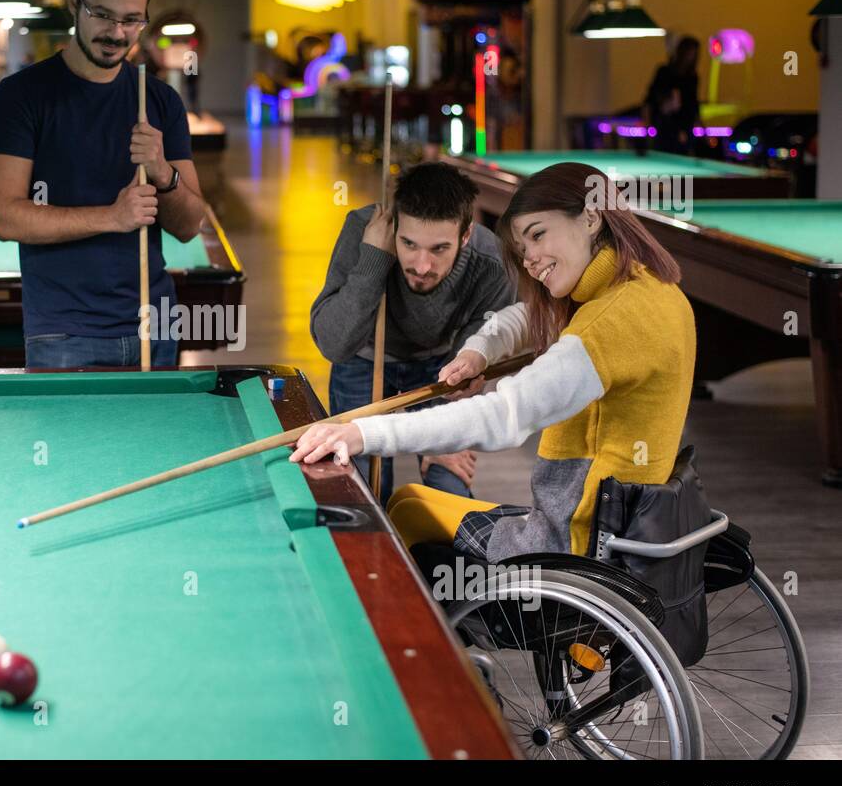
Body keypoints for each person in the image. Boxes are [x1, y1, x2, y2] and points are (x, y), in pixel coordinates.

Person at [292, 162, 696, 563]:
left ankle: (422, 624)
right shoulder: (649, 290)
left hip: (574, 537)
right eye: (523, 248)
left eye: (538, 235)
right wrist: (477, 351)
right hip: (619, 518)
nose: (531, 261)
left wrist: (364, 432)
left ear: (591, 217)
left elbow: (504, 415)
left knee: (408, 509)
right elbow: (525, 319)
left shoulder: (607, 325)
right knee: (408, 502)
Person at [0, 0, 210, 368]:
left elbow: (189, 225)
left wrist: (163, 173)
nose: (117, 33)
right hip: (64, 331)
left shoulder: (158, 100)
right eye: (102, 15)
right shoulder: (21, 97)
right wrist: (112, 216)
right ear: (74, 3)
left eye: (131, 20)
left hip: (154, 323)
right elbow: (5, 217)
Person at [311, 162, 514, 505]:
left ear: (465, 236)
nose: (421, 266)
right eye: (408, 243)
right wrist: (374, 258)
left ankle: (441, 558)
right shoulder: (365, 229)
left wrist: (444, 434)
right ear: (395, 229)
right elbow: (334, 343)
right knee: (364, 491)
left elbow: (487, 341)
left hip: (445, 364)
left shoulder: (491, 260)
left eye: (439, 249)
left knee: (448, 486)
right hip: (365, 357)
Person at [642, 35, 700, 155]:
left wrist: (697, 127)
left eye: (694, 54)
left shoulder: (692, 77)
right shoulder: (664, 72)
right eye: (689, 52)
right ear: (681, 52)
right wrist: (648, 126)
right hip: (664, 127)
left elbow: (693, 104)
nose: (690, 57)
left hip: (686, 126)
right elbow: (650, 100)